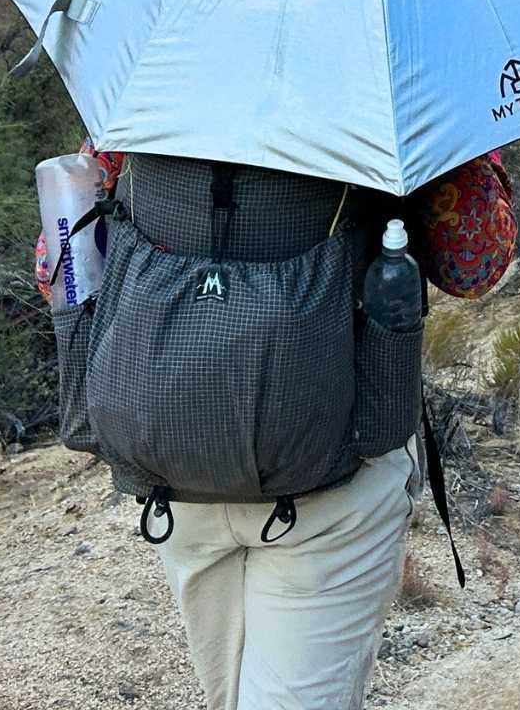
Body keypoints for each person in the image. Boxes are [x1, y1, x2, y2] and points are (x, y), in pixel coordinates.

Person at [57, 151, 430, 710]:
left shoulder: (145, 86)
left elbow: (57, 264)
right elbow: (475, 262)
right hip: (331, 481)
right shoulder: (390, 91)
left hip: (174, 450)